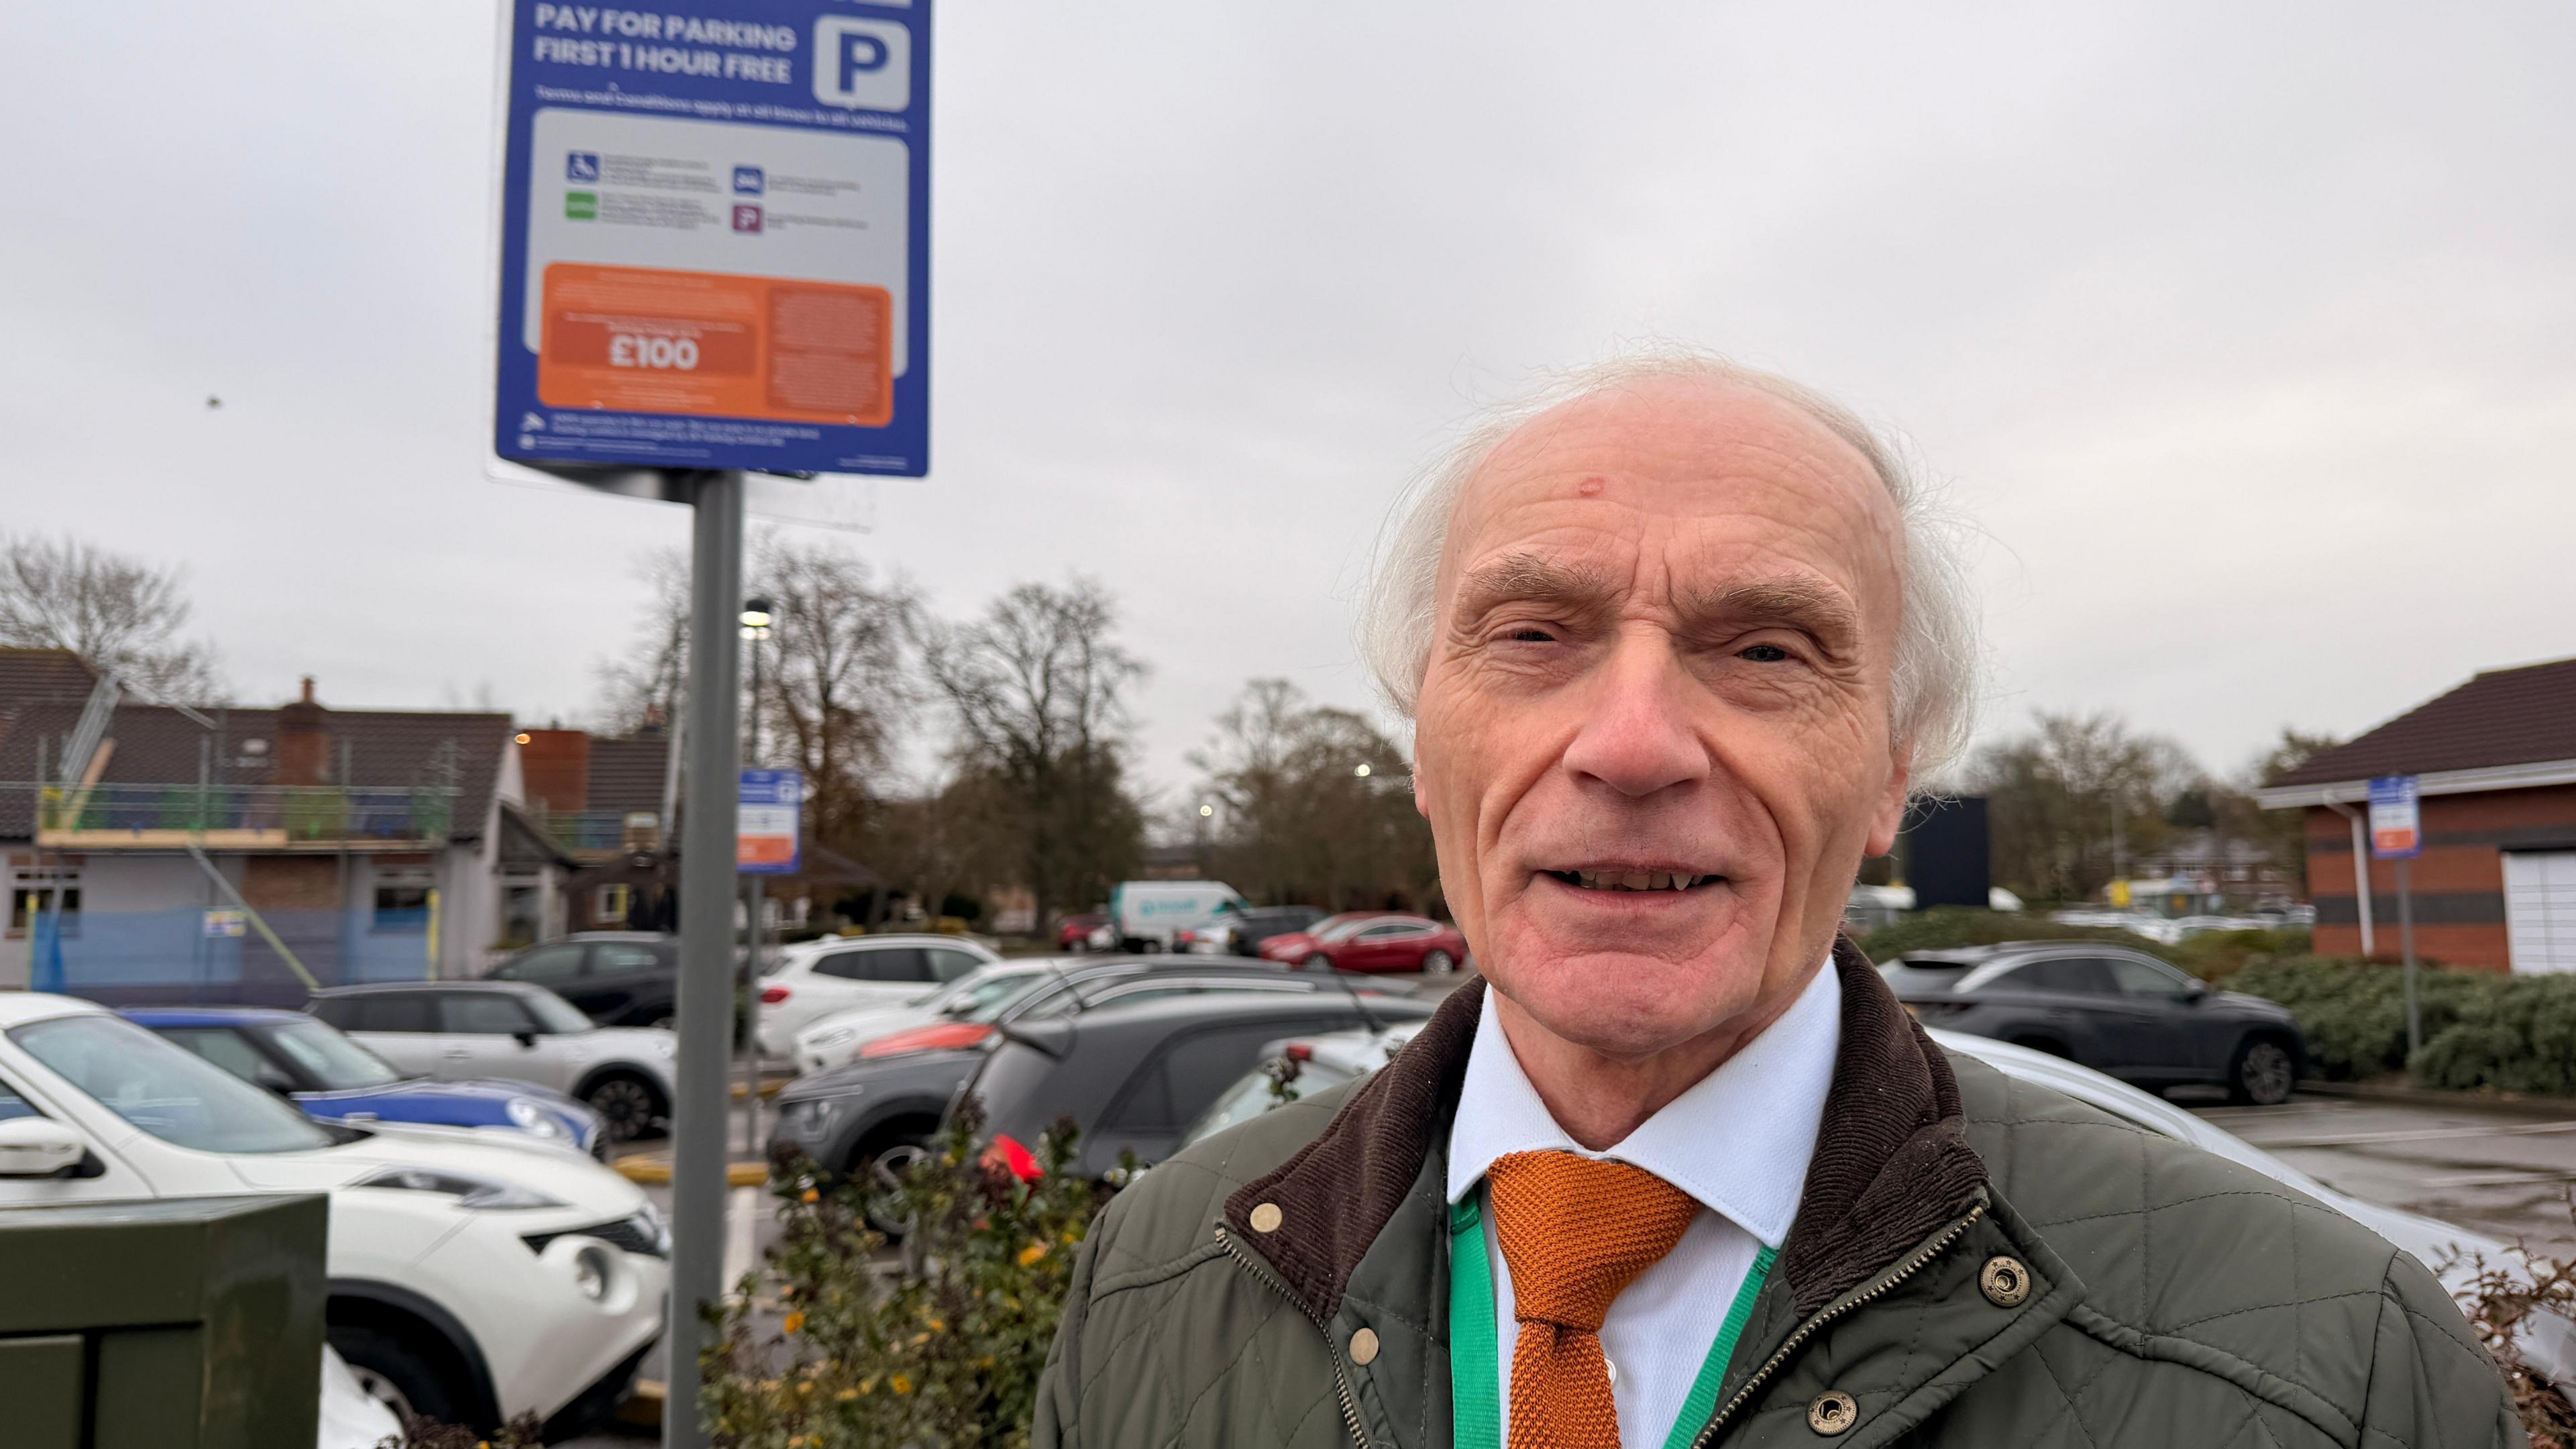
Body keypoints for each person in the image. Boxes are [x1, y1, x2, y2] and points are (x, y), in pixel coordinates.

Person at [1031, 352, 2520, 1449]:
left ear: (1889, 776)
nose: (1629, 745)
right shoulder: (1155, 1284)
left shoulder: (2344, 1373)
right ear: (1424, 744)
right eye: (1534, 632)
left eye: (1767, 652)